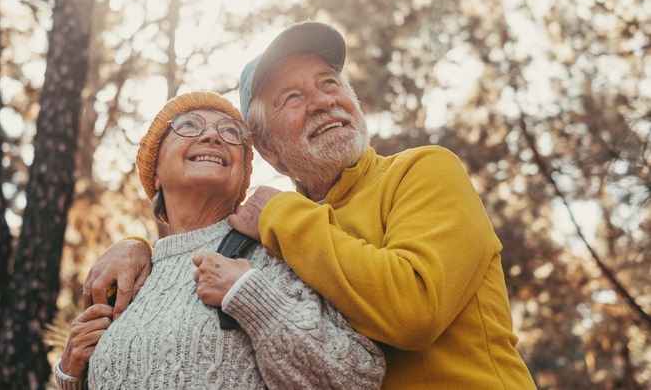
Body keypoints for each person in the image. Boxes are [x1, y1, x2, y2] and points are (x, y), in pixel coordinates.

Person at [85, 22, 539, 389]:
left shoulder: (423, 171)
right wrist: (139, 248)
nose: (324, 101)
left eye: (329, 82)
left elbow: (415, 311)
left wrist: (279, 215)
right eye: (293, 97)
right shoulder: (266, 241)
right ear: (266, 150)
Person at [55, 91, 385, 389]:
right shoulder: (126, 279)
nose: (213, 135)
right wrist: (71, 377)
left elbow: (358, 377)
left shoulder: (274, 255)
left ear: (243, 175)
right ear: (154, 170)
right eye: (188, 125)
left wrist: (254, 298)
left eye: (231, 133)